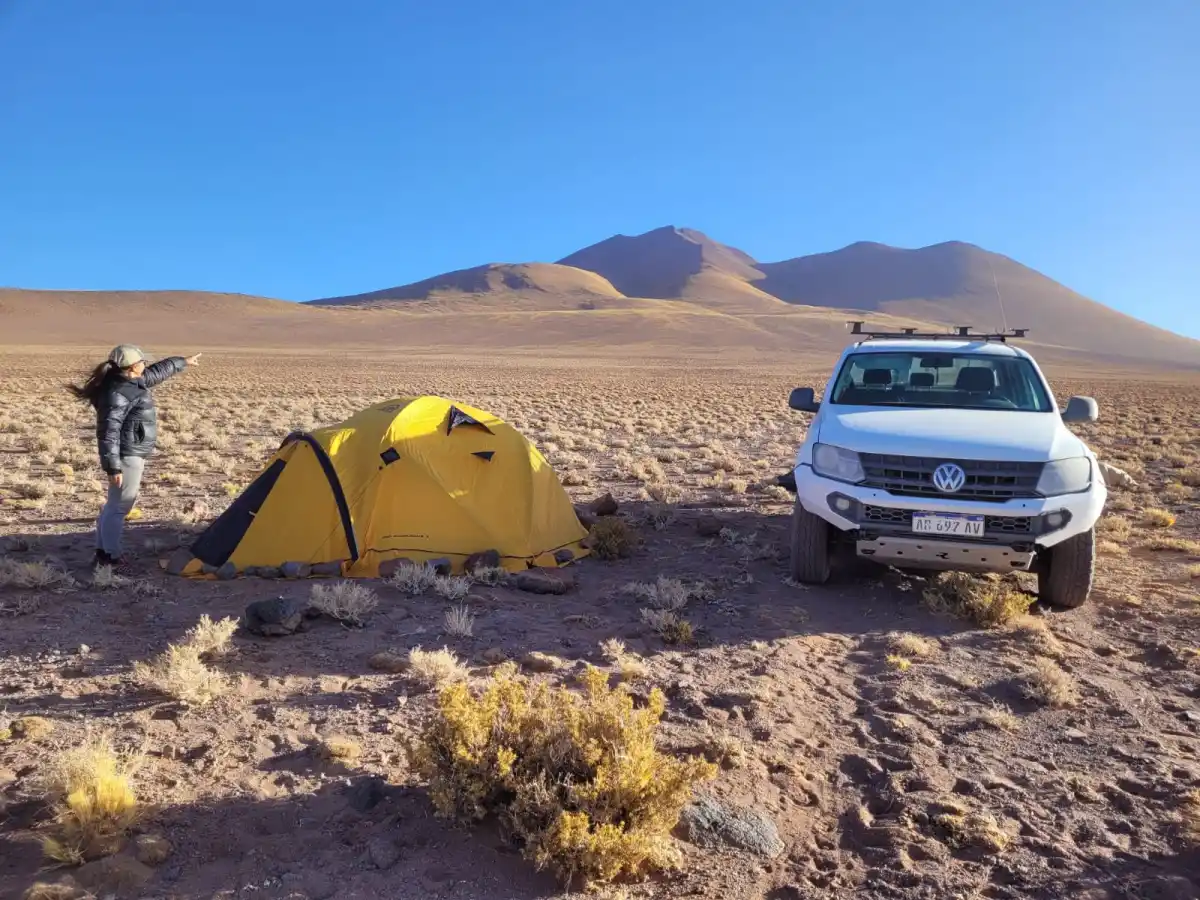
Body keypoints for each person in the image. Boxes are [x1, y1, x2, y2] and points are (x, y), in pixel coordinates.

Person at [68, 345, 202, 570]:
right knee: (120, 507)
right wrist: (113, 467)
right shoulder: (119, 393)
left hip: (129, 452)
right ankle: (110, 556)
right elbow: (108, 431)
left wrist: (183, 361)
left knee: (113, 506)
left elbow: (158, 372)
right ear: (131, 367)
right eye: (142, 362)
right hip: (127, 455)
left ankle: (104, 552)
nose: (145, 365)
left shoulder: (130, 382)